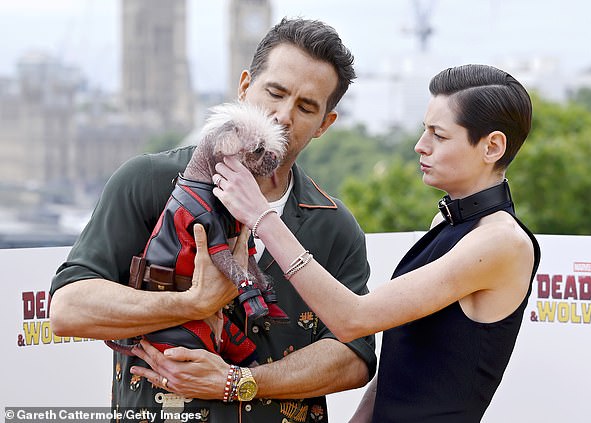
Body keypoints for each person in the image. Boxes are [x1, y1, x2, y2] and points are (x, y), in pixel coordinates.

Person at [49, 18, 376, 422]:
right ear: (243, 87)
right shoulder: (149, 182)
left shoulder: (334, 226)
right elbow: (68, 309)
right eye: (274, 92)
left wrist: (239, 381)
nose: (284, 115)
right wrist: (192, 302)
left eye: (306, 107)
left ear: (325, 124)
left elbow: (354, 358)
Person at [211, 64, 541, 422]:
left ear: (492, 146)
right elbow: (405, 362)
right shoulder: (449, 225)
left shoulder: (501, 243)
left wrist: (262, 216)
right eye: (423, 130)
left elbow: (353, 319)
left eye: (439, 135)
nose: (420, 146)